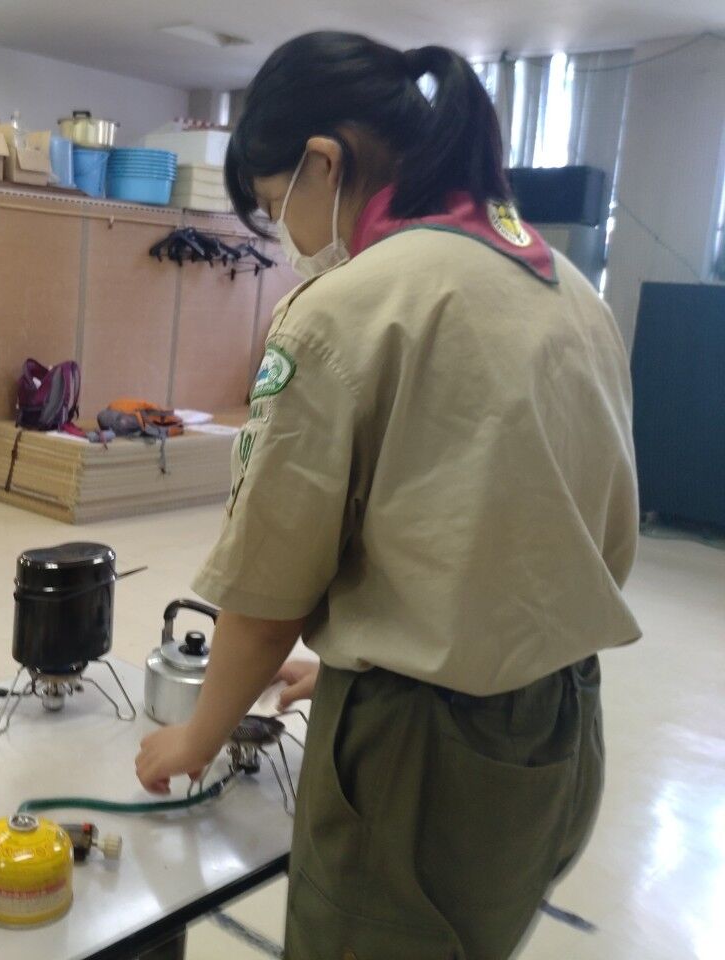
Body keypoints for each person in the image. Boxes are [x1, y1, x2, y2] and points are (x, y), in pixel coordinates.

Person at [134, 31, 639, 960]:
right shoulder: (571, 293)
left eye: (277, 206)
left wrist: (197, 737)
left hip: (422, 771)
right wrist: (359, 664)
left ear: (324, 162)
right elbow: (506, 534)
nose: (289, 239)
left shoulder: (349, 309)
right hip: (558, 739)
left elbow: (267, 594)